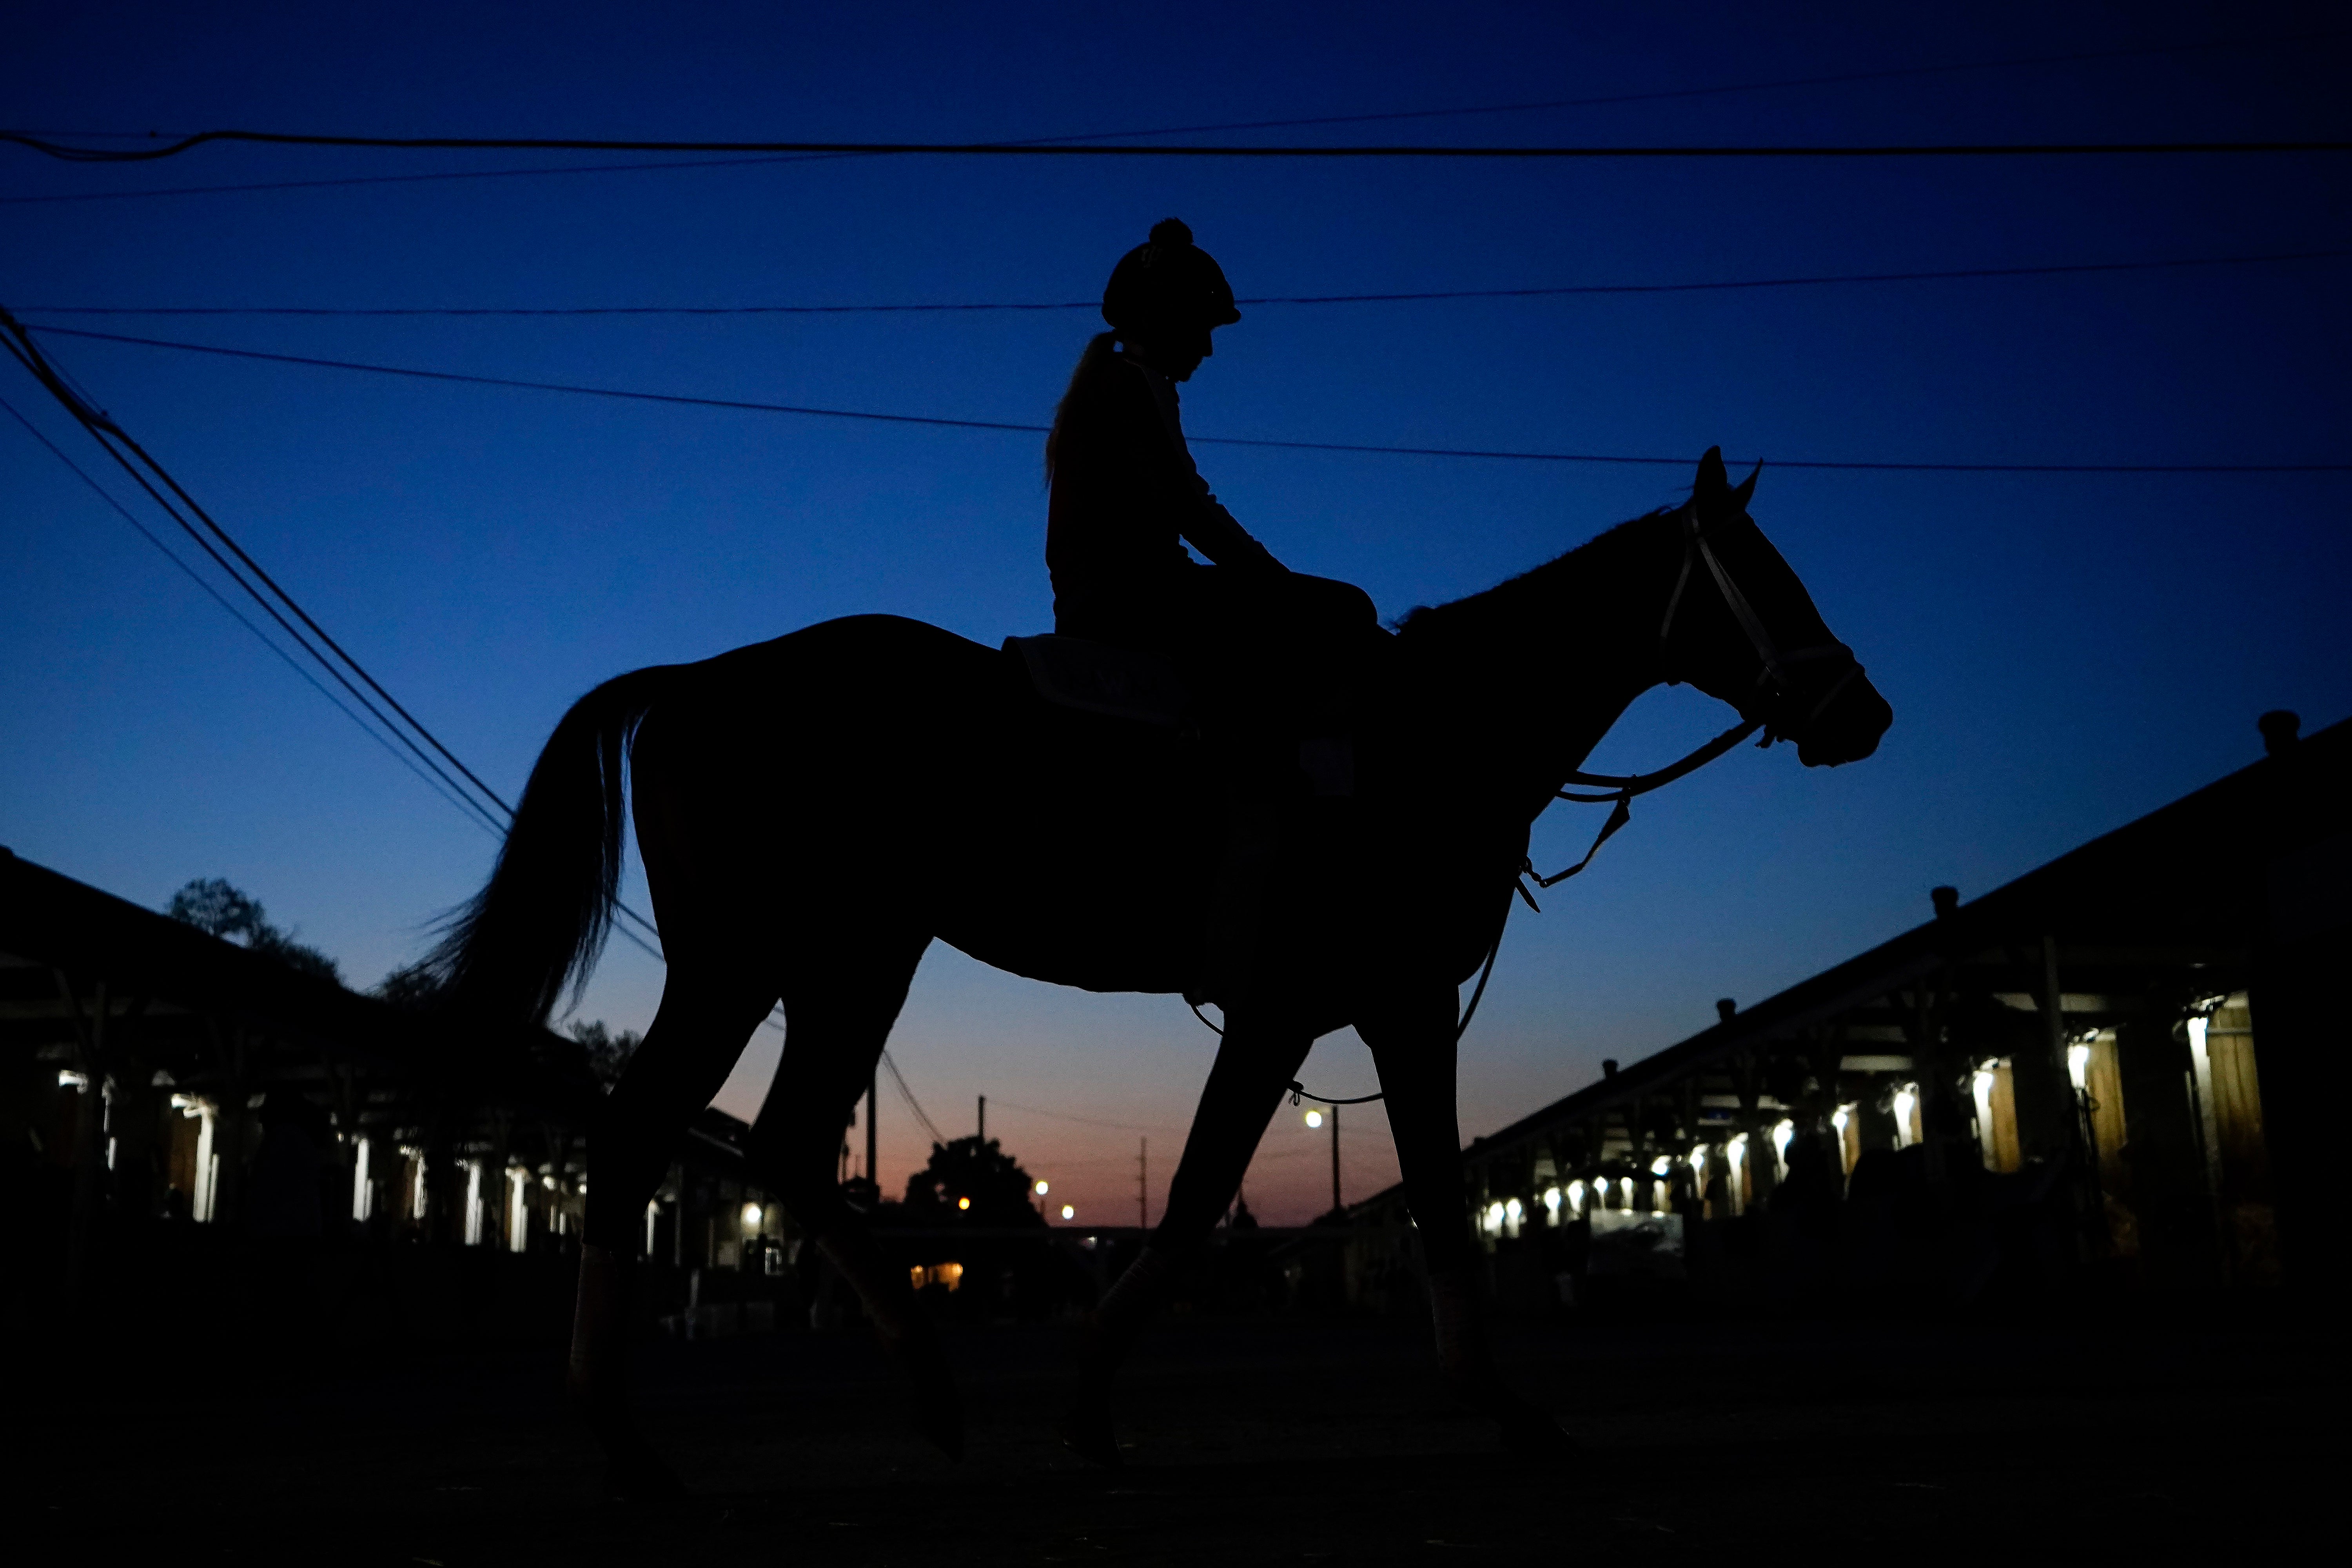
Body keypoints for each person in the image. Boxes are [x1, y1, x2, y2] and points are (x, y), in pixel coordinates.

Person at [1042, 220, 1381, 1004]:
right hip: (1135, 597)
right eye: (1202, 326)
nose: (1209, 348)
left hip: (1124, 589)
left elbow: (1181, 503)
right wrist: (1274, 579)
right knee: (1340, 616)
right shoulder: (1130, 385)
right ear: (1162, 319)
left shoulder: (1122, 383)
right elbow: (1189, 505)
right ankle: (1283, 844)